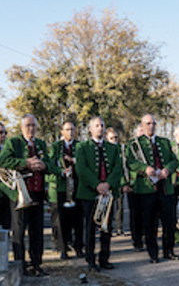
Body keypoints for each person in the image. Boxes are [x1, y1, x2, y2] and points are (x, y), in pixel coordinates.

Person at [0, 114, 58, 277]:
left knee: (37, 230)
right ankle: (20, 265)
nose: (31, 129)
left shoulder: (40, 143)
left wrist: (44, 165)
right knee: (19, 231)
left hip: (37, 193)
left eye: (33, 125)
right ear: (21, 127)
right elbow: (3, 161)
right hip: (19, 194)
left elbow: (50, 164)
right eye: (28, 125)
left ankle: (36, 264)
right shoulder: (14, 142)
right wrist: (25, 163)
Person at [126, 114, 179, 263]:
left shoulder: (164, 142)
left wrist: (167, 170)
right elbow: (131, 162)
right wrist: (145, 168)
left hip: (165, 188)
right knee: (150, 223)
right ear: (142, 126)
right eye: (148, 124)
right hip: (147, 189)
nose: (151, 126)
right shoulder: (134, 144)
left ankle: (169, 251)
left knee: (169, 222)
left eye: (153, 123)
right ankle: (153, 253)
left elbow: (175, 161)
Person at [75, 116, 122, 272]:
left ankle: (104, 258)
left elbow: (117, 168)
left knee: (106, 228)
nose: (100, 128)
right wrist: (97, 185)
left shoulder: (113, 148)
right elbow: (81, 169)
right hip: (89, 193)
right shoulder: (82, 147)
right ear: (90, 129)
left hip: (107, 193)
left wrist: (107, 184)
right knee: (90, 228)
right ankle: (90, 259)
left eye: (102, 125)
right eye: (96, 125)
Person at [49, 121, 84, 259]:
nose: (70, 132)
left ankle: (79, 246)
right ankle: (63, 248)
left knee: (78, 219)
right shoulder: (56, 146)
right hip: (62, 187)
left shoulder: (80, 145)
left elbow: (83, 162)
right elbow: (51, 164)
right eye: (67, 129)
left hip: (77, 187)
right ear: (62, 132)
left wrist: (74, 161)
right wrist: (61, 172)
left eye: (72, 129)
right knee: (62, 219)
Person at [124, 124, 145, 251]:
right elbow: (125, 165)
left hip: (147, 184)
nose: (142, 133)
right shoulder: (131, 146)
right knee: (135, 214)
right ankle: (137, 240)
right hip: (134, 184)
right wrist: (125, 183)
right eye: (140, 131)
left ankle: (146, 237)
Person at [106, 127, 124, 236]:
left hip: (119, 182)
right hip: (109, 182)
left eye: (116, 137)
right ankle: (108, 227)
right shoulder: (105, 150)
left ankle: (119, 227)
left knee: (120, 206)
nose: (114, 140)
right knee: (109, 206)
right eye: (111, 138)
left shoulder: (121, 149)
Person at [0, 122, 11, 230]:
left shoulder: (8, 149)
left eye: (5, 132)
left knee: (7, 225)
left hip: (7, 192)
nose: (3, 135)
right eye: (0, 132)